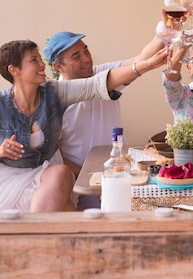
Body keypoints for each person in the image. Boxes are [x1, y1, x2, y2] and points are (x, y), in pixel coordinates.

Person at [0, 39, 167, 213]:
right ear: (14, 70)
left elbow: (96, 85)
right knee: (69, 211)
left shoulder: (55, 92)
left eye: (40, 58)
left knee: (61, 172)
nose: (42, 65)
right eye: (34, 60)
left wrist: (146, 65)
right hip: (2, 183)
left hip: (41, 175)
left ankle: (37, 238)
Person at [44, 31, 165, 210]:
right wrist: (91, 176)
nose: (86, 59)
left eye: (86, 50)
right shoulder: (54, 99)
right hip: (81, 188)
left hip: (121, 178)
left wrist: (165, 31)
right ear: (58, 66)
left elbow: (140, 60)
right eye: (76, 56)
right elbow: (57, 157)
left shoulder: (103, 75)